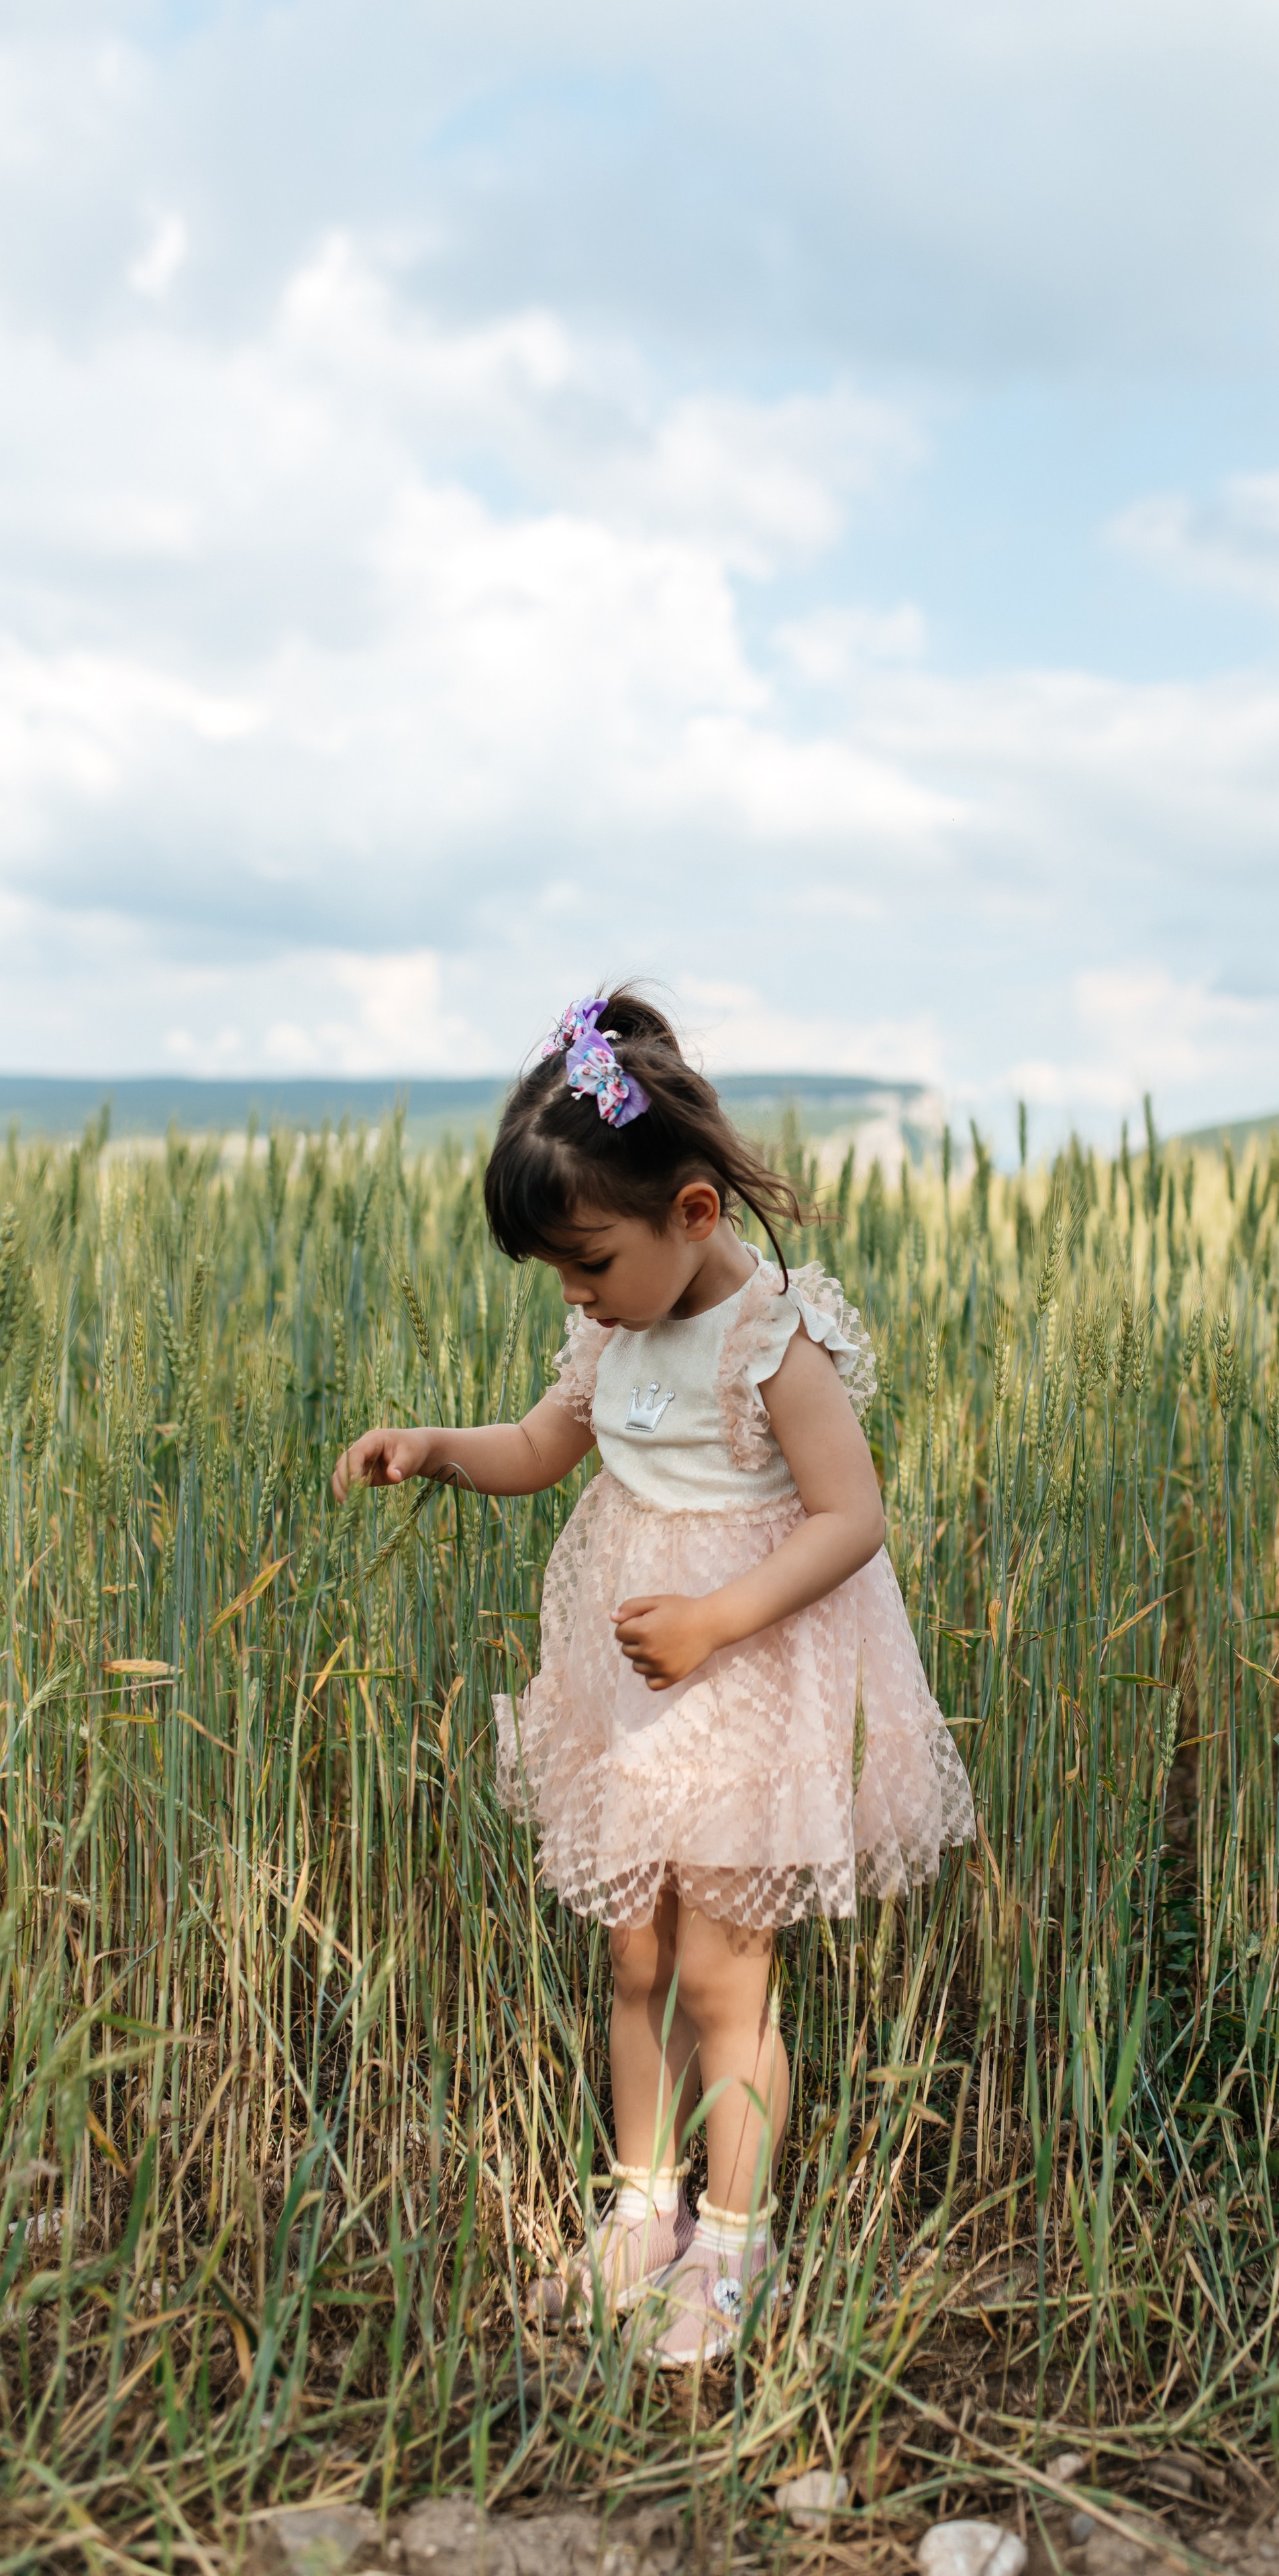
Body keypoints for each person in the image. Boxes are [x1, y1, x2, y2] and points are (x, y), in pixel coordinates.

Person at [331, 988, 974, 2365]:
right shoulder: (614, 1325)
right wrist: (437, 1445)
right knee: (633, 1957)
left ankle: (733, 2248)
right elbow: (540, 1446)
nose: (575, 1297)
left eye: (588, 1264)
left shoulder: (771, 1342)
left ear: (691, 1212)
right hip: (634, 1683)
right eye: (558, 1276)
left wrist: (714, 1619)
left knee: (720, 1984)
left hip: (744, 1677)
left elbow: (849, 1518)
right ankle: (639, 2207)